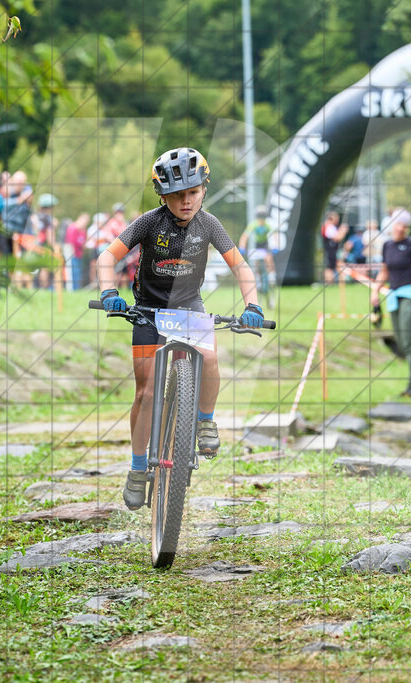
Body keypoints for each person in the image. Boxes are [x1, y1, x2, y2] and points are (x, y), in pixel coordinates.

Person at [96, 147, 264, 511]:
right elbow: (107, 256)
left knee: (210, 358)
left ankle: (204, 422)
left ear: (204, 189)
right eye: (176, 195)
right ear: (162, 196)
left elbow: (241, 267)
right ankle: (138, 468)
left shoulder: (210, 224)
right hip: (147, 310)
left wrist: (252, 305)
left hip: (189, 307)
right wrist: (109, 291)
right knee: (146, 393)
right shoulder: (149, 222)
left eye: (192, 192)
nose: (185, 201)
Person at [370, 210, 411, 398]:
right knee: (401, 342)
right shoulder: (387, 246)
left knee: (409, 342)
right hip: (393, 296)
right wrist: (375, 290)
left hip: (410, 295)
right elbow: (384, 271)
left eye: (402, 224)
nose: (399, 228)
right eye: (396, 224)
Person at [238, 205, 276, 308]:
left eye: (263, 218)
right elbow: (245, 237)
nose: (261, 220)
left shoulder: (267, 225)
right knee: (256, 262)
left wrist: (275, 246)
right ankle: (258, 277)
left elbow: (274, 234)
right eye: (260, 218)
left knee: (268, 258)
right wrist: (242, 247)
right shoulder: (253, 225)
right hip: (257, 246)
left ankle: (272, 275)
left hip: (265, 245)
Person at [63, 213, 90, 290]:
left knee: (78, 273)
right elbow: (71, 242)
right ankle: (71, 289)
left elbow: (84, 242)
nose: (84, 224)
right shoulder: (72, 228)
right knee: (72, 273)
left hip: (79, 255)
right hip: (72, 254)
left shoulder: (83, 231)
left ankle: (76, 289)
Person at [320, 210, 348, 284]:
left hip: (333, 250)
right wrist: (343, 231)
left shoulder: (331, 226)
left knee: (334, 266)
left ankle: (336, 282)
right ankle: (329, 283)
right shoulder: (329, 227)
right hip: (330, 250)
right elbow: (337, 238)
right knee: (330, 267)